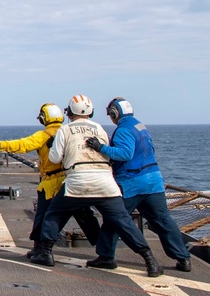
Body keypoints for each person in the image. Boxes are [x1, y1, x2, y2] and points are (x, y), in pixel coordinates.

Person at [31, 95, 163, 276]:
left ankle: (45, 253)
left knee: (54, 214)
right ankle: (149, 260)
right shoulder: (99, 129)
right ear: (91, 112)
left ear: (69, 112)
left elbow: (54, 158)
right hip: (105, 183)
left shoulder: (65, 130)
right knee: (123, 222)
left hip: (77, 182)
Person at [0, 103, 100, 259]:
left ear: (44, 119)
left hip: (51, 184)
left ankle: (41, 250)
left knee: (44, 218)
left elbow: (23, 144)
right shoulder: (68, 132)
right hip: (72, 181)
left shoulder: (44, 135)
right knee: (86, 217)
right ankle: (105, 250)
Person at [84, 98, 191, 272]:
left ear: (114, 113)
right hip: (153, 182)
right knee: (163, 220)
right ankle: (183, 258)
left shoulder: (123, 130)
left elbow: (125, 154)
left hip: (132, 183)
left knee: (115, 219)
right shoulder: (140, 126)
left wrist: (100, 147)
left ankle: (106, 256)